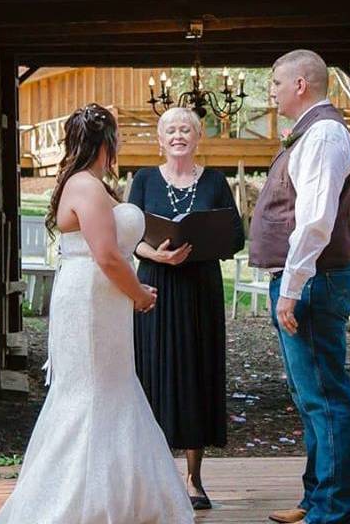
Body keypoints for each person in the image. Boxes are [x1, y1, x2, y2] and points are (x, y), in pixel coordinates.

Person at [0, 103, 193, 524]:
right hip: (91, 301)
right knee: (91, 391)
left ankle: (121, 493)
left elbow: (112, 245)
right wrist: (138, 294)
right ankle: (74, 501)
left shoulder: (91, 184)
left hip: (102, 299)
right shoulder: (85, 186)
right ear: (108, 142)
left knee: (113, 387)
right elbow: (105, 255)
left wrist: (145, 262)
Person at [250, 50, 350, 524]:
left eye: (275, 82)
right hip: (304, 280)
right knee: (308, 394)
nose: (270, 91)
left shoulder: (325, 134)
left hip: (315, 280)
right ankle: (317, 497)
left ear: (300, 84)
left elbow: (315, 221)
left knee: (325, 396)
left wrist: (292, 287)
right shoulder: (310, 134)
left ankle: (333, 511)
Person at [128, 106, 245, 510]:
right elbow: (130, 236)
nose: (178, 135)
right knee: (154, 371)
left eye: (186, 130)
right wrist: (157, 257)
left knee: (197, 372)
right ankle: (153, 475)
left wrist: (204, 242)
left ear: (198, 138)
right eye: (171, 130)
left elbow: (235, 235)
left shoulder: (214, 181)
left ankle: (194, 479)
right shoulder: (143, 179)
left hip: (200, 287)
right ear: (160, 140)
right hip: (156, 286)